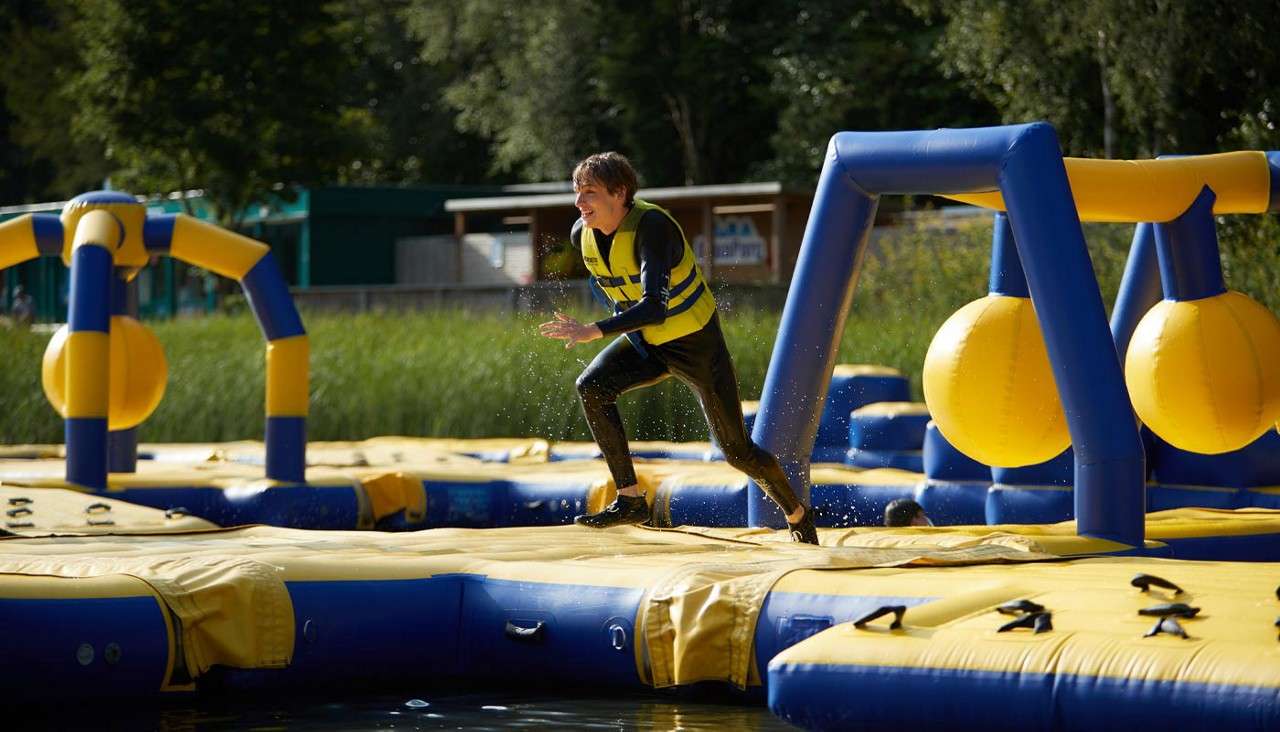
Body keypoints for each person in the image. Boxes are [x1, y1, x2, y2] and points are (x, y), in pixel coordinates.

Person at [539, 152, 818, 544]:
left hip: (696, 348)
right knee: (592, 387)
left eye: (589, 192)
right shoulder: (580, 234)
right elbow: (613, 289)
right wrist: (608, 323)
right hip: (648, 344)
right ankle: (630, 499)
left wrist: (594, 331)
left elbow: (655, 305)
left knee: (737, 452)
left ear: (620, 193)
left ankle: (799, 515)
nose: (579, 202)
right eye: (576, 192)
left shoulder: (653, 228)